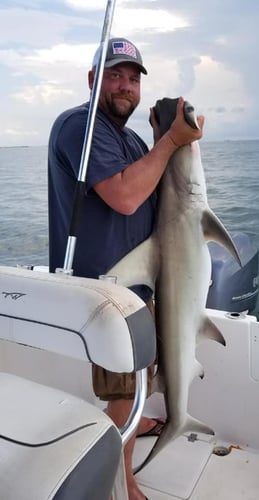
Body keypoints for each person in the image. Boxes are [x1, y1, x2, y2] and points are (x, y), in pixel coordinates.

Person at [48, 37, 204, 500]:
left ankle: (139, 416)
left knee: (140, 375)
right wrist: (173, 139)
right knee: (121, 391)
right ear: (94, 80)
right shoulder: (81, 126)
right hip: (106, 289)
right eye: (114, 75)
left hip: (140, 284)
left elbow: (157, 198)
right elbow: (125, 195)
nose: (125, 86)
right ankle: (122, 480)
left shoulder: (132, 139)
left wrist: (169, 140)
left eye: (133, 78)